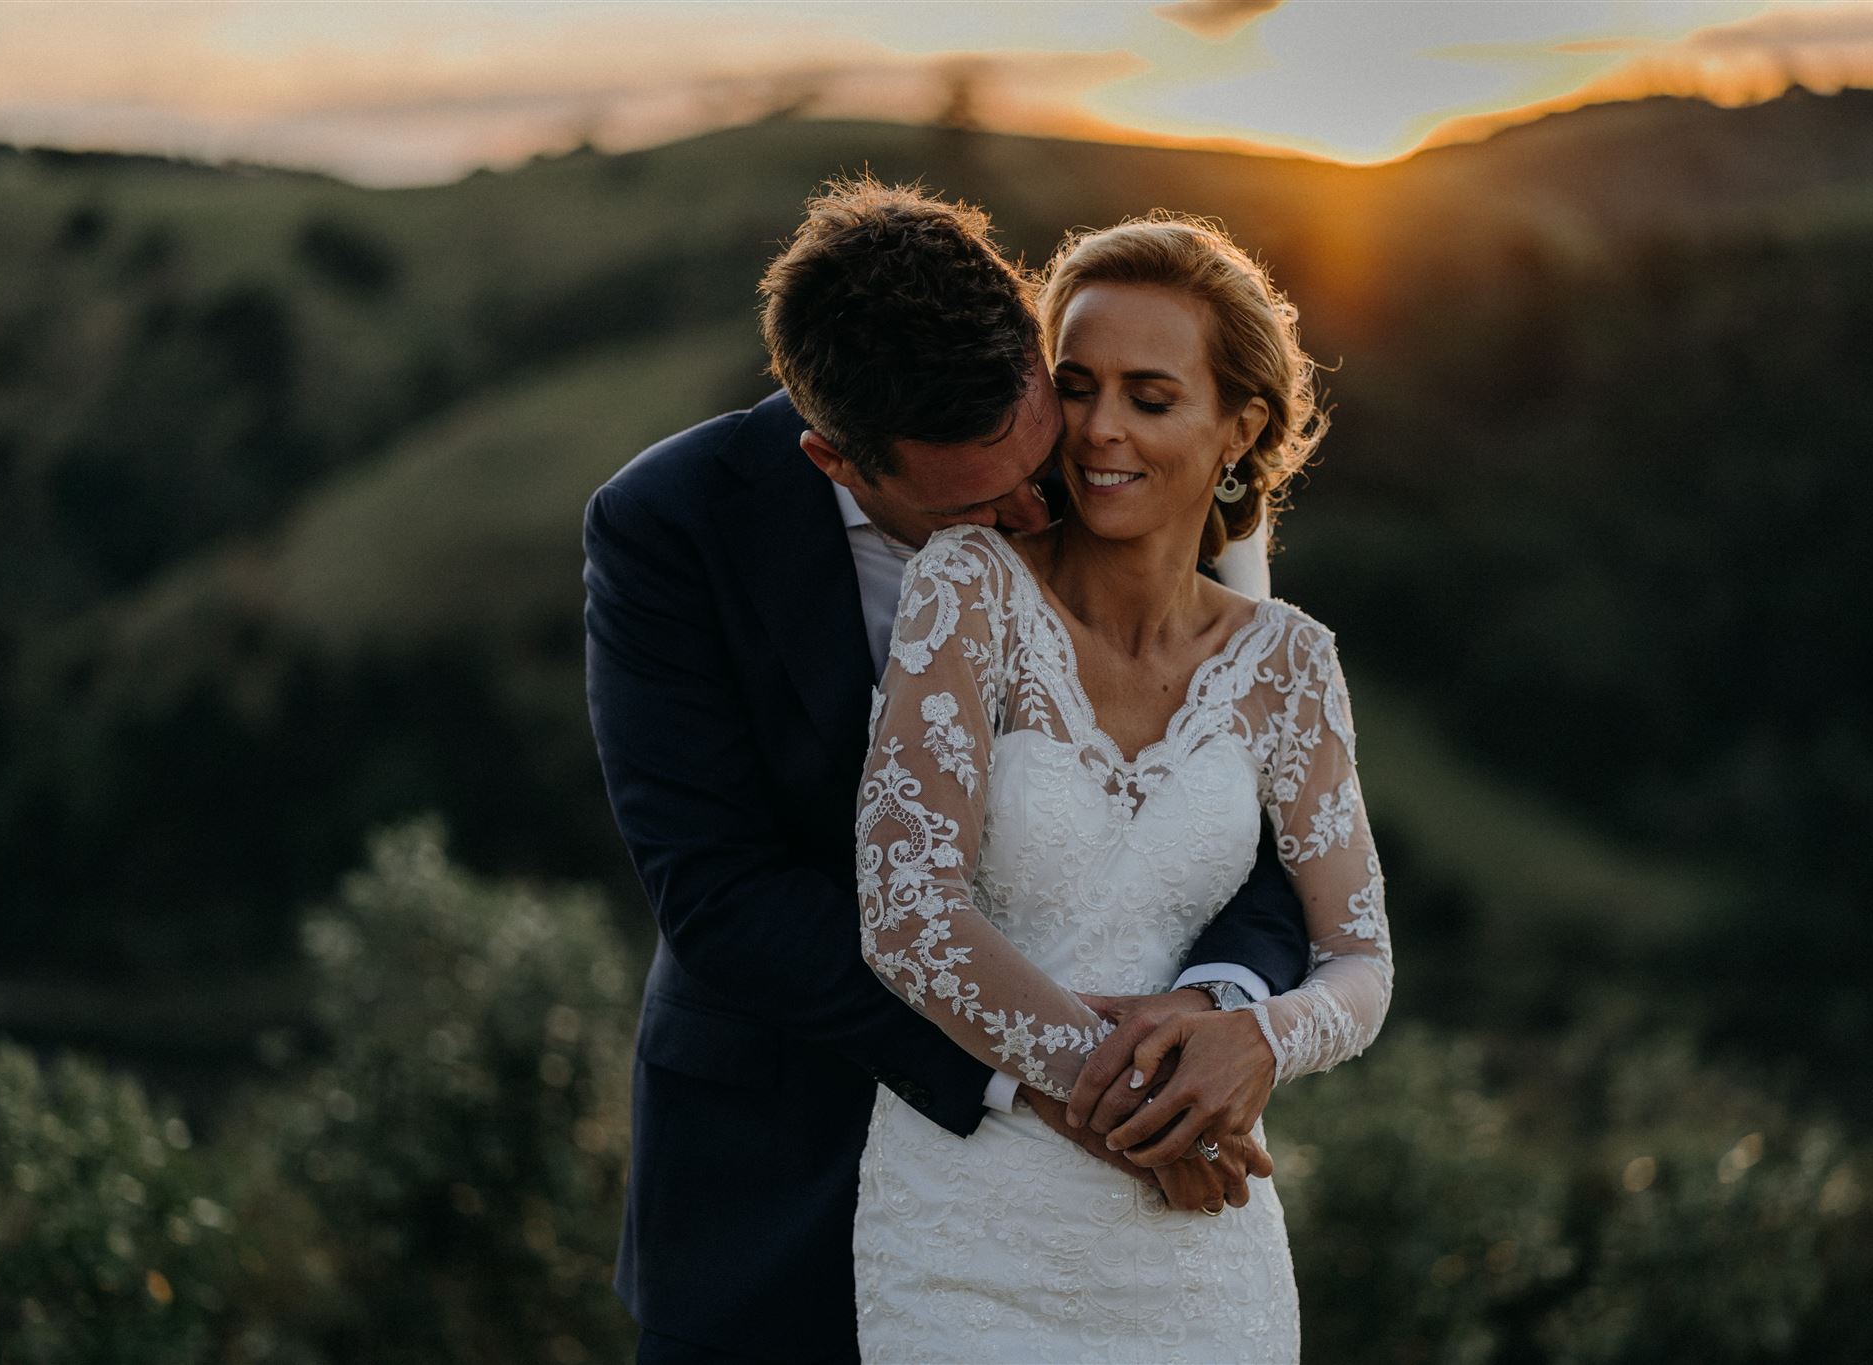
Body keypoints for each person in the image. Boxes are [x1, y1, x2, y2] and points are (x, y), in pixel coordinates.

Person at [581, 179, 1312, 1363]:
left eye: (1039, 461)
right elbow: (720, 892)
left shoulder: (1128, 459)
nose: (1042, 506)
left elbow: (1261, 825)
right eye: (981, 504)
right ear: (834, 459)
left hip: (1117, 1181)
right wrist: (1054, 1069)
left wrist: (1223, 1005)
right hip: (780, 1164)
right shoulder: (669, 527)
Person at [852, 214, 1393, 1361]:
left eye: (1149, 398)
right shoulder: (968, 587)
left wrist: (1255, 1037)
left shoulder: (1289, 664)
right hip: (972, 1234)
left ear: (1236, 427)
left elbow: (1359, 960)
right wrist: (1129, 1107)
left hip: (1201, 1245)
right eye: (1078, 386)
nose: (1100, 429)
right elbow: (906, 914)